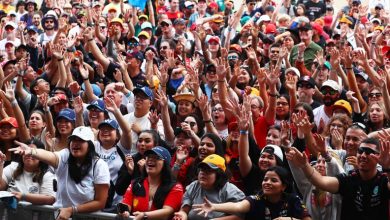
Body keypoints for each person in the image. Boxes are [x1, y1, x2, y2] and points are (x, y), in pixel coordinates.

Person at [9, 126, 110, 220]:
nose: (75, 143)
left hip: (87, 217)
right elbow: (51, 156)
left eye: (81, 140)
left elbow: (100, 202)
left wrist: (72, 210)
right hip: (60, 216)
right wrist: (32, 151)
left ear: (90, 145)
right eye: (73, 140)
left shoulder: (99, 165)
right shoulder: (65, 155)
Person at [286, 138, 390, 219]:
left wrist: (387, 167)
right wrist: (305, 165)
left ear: (379, 156)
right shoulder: (349, 178)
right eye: (360, 151)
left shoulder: (384, 179)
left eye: (368, 152)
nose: (363, 155)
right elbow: (320, 181)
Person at [192, 166, 311, 220]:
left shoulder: (293, 200)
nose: (267, 183)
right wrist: (214, 207)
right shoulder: (256, 199)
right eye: (265, 179)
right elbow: (238, 206)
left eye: (273, 180)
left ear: (283, 186)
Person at [119, 146, 183, 219]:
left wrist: (144, 215)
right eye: (148, 156)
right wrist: (124, 211)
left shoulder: (175, 187)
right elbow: (126, 203)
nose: (150, 159)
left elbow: (167, 212)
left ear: (165, 164)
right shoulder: (135, 183)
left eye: (156, 157)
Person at [173, 154, 245, 220]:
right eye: (201, 169)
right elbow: (184, 211)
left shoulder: (230, 190)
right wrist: (181, 216)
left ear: (219, 175)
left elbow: (239, 216)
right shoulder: (194, 186)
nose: (203, 173)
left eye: (208, 170)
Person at [0, 139, 55, 219]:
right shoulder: (13, 167)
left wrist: (23, 196)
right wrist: (0, 164)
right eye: (26, 151)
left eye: (32, 151)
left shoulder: (47, 175)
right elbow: (1, 187)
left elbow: (50, 198)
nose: (28, 154)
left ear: (41, 156)